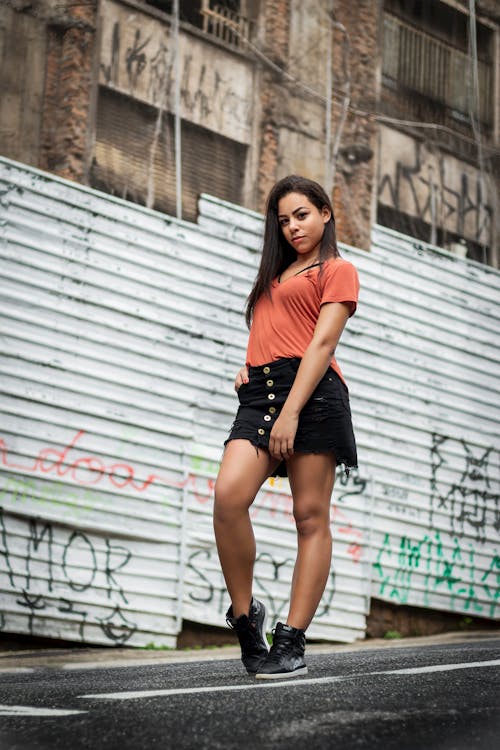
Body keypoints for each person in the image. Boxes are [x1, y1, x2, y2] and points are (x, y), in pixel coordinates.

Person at [213, 175, 359, 679]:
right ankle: (244, 615)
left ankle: (291, 639)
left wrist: (291, 413)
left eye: (301, 214)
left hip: (312, 395)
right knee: (228, 497)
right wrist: (249, 363)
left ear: (325, 213)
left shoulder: (337, 270)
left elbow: (319, 345)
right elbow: (275, 331)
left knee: (309, 516)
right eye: (283, 220)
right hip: (260, 394)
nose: (293, 226)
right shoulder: (273, 275)